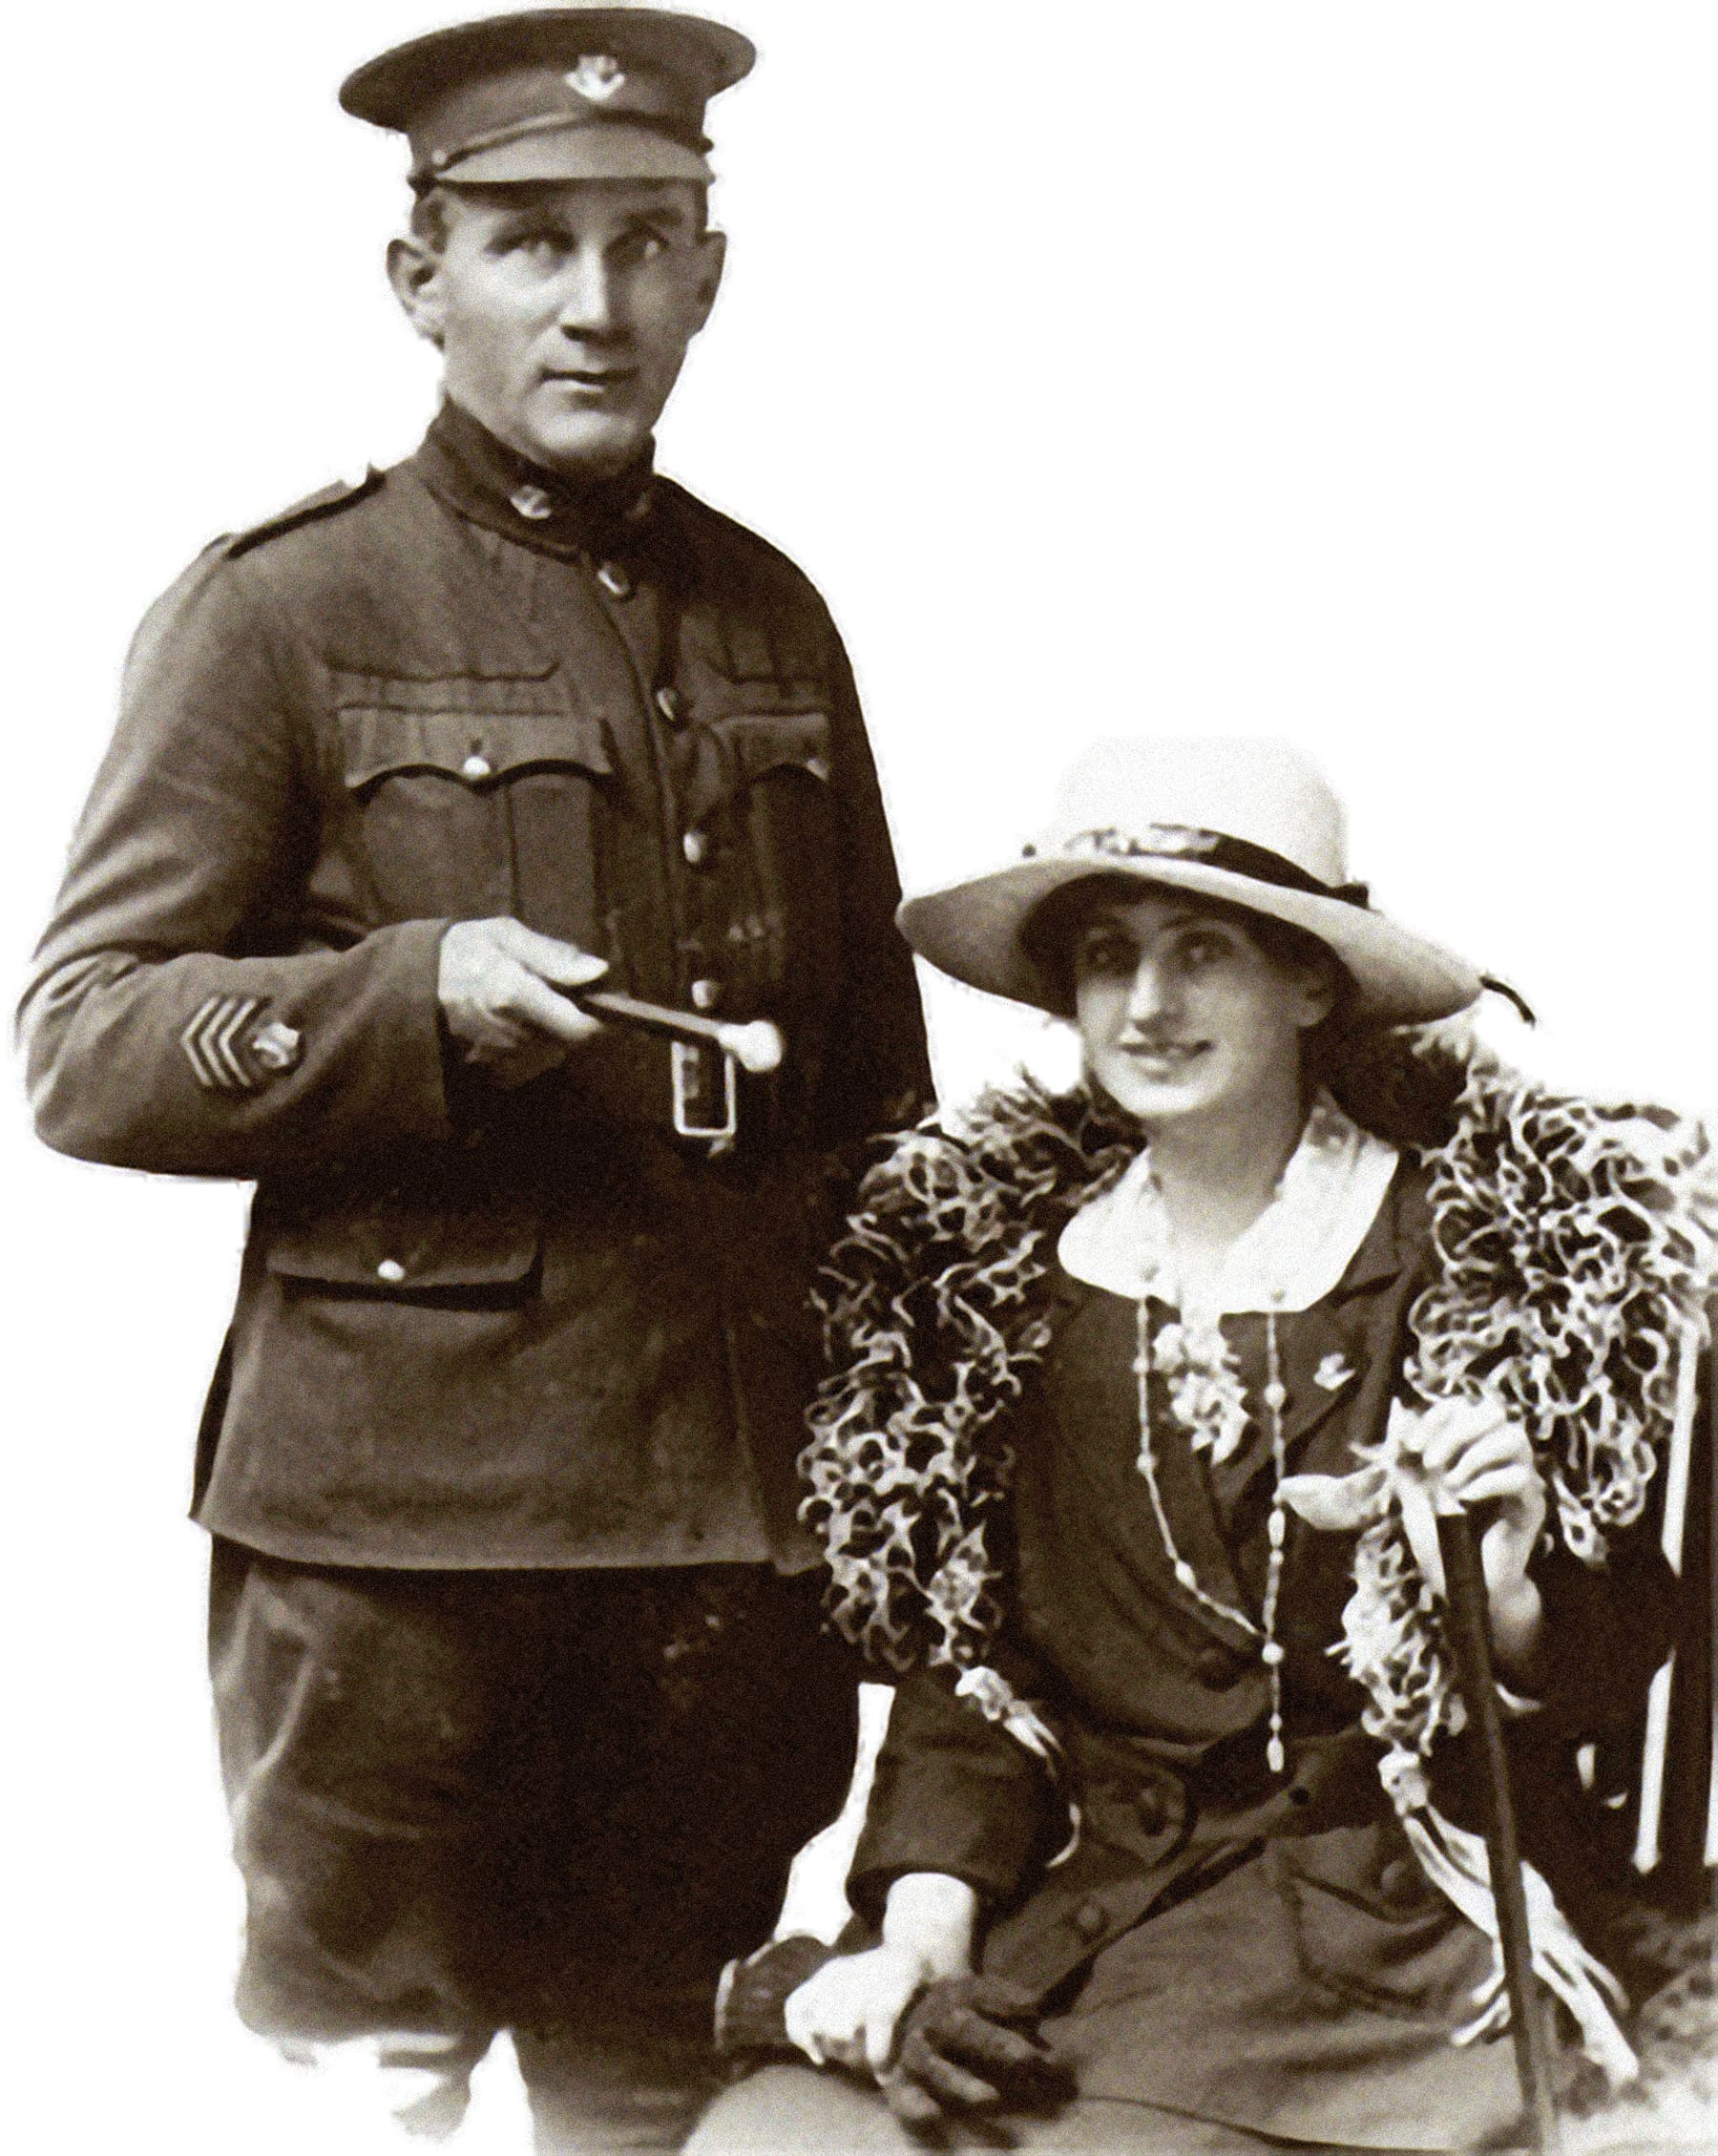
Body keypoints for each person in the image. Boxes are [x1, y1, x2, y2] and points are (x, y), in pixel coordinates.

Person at [21, 7, 929, 2147]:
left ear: (712, 267)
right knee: (361, 2090)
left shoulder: (777, 615)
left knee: (646, 2074)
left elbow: (871, 1091)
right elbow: (82, 1037)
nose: (595, 304)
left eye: (644, 241)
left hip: (715, 1549)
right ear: (416, 273)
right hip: (395, 1552)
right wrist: (406, 997)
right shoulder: (285, 608)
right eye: (530, 242)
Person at [691, 739, 1714, 2152]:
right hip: (1104, 1893)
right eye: (1109, 958)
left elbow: (1601, 1672)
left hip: (1391, 1918)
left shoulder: (1467, 1266)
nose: (1149, 1005)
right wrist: (925, 1935)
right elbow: (980, 1674)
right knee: (764, 2141)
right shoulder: (1020, 1291)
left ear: (1312, 984)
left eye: (1205, 954)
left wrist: (1508, 1582)